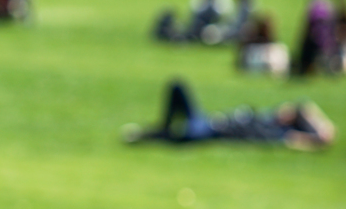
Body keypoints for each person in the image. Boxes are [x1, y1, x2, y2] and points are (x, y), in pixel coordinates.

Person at [126, 81, 335, 149]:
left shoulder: (278, 133)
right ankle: (159, 131)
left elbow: (325, 135)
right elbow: (303, 105)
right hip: (208, 119)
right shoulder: (269, 118)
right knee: (177, 84)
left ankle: (148, 136)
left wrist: (306, 121)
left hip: (210, 131)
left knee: (182, 134)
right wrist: (299, 112)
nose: (285, 110)